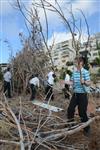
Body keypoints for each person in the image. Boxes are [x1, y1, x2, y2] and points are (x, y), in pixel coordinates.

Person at [67, 56, 91, 136]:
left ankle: (87, 129)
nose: (74, 63)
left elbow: (89, 83)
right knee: (70, 109)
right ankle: (71, 124)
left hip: (83, 95)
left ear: (80, 62)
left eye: (75, 61)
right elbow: (72, 82)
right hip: (75, 94)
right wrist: (65, 82)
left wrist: (84, 82)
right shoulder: (74, 72)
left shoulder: (85, 72)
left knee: (82, 113)